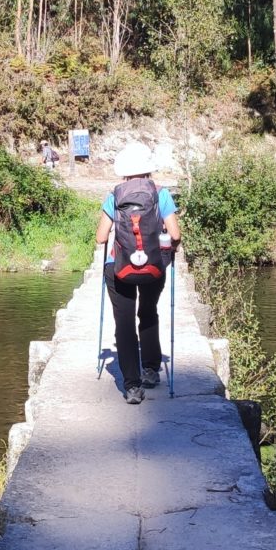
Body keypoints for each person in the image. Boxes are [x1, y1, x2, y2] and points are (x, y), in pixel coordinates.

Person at [95, 143, 181, 405]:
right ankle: (152, 370)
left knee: (124, 322)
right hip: (154, 265)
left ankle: (132, 387)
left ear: (124, 172)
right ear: (148, 169)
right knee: (148, 311)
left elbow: (101, 238)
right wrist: (169, 249)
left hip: (118, 267)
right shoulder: (160, 194)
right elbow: (175, 234)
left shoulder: (114, 196)